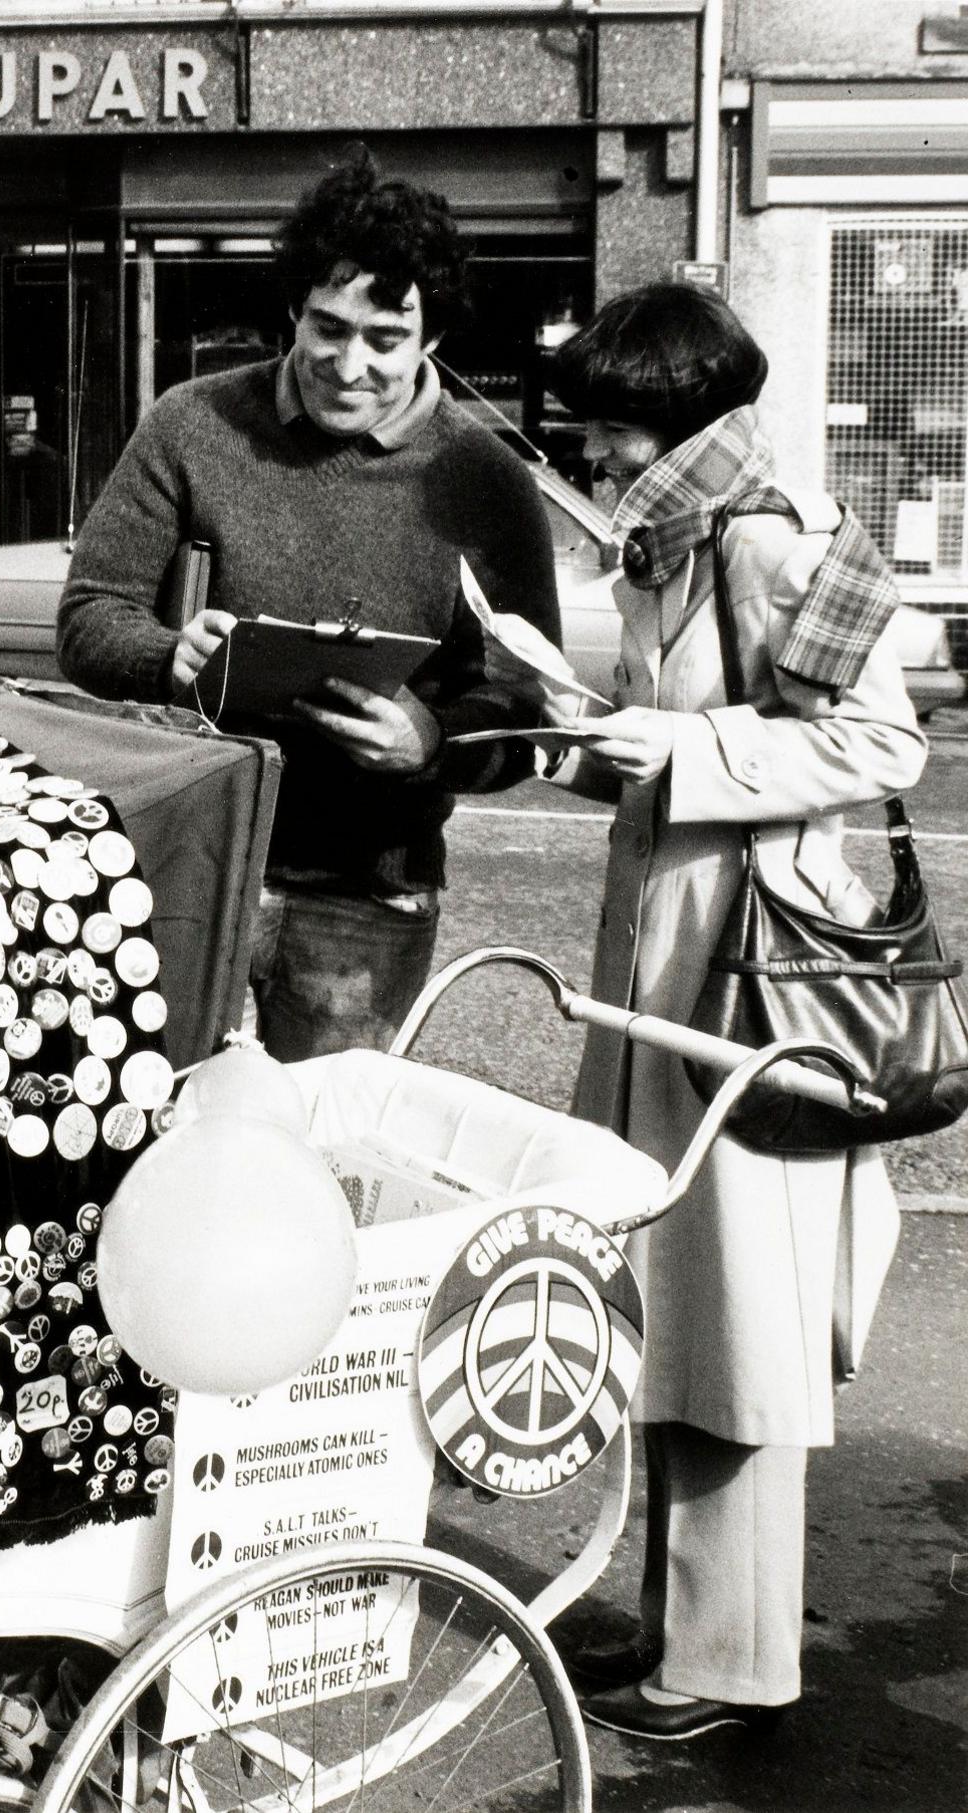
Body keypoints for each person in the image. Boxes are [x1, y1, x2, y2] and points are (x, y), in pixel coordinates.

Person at [536, 284, 923, 1741]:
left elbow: (882, 738)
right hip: (671, 968)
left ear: (680, 422)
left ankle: (735, 1661)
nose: (593, 454)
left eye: (614, 427)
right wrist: (586, 733)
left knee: (741, 1316)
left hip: (754, 982)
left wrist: (687, 742)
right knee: (683, 1305)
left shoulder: (768, 534)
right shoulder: (679, 537)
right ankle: (677, 1630)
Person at [55, 151, 560, 1058]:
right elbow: (90, 615)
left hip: (369, 892)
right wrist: (165, 654)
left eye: (383, 339)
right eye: (326, 326)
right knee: (150, 1134)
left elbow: (530, 711)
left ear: (431, 338)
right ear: (293, 308)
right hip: (189, 859)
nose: (347, 363)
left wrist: (431, 739)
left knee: (322, 1159)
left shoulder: (488, 481)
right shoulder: (191, 423)